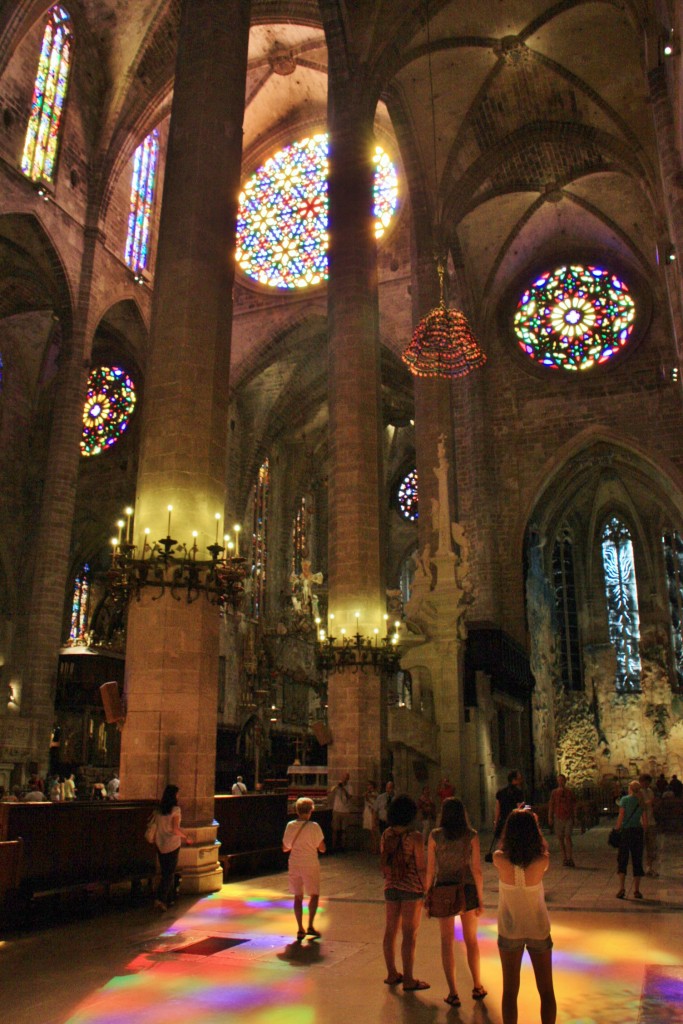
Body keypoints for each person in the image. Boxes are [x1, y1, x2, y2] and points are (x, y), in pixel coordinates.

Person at [493, 809, 556, 1024]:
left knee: (509, 991)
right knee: (546, 990)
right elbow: (535, 854)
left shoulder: (499, 859)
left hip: (509, 928)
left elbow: (505, 852)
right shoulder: (542, 860)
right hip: (538, 928)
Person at [425, 797, 486, 1007]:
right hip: (466, 888)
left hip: (443, 888)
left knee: (446, 942)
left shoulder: (435, 836)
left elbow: (430, 870)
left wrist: (427, 895)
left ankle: (453, 992)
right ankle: (477, 985)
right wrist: (480, 898)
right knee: (471, 940)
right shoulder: (471, 836)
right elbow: (476, 869)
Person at [380, 793, 429, 992]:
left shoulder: (387, 834)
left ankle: (392, 973)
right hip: (411, 889)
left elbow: (384, 859)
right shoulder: (415, 837)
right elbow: (420, 866)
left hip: (391, 887)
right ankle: (408, 979)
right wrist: (427, 889)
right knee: (409, 934)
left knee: (390, 931)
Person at [282, 796, 326, 940]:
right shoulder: (315, 826)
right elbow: (322, 848)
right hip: (310, 863)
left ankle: (300, 928)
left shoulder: (290, 825)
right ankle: (310, 926)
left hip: (295, 863)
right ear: (311, 811)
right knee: (314, 894)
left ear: (297, 810)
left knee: (298, 896)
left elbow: (285, 847)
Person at [153, 784, 193, 911]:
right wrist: (186, 837)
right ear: (173, 796)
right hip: (172, 844)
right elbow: (175, 830)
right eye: (177, 794)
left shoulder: (158, 810)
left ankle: (169, 899)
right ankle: (160, 899)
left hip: (160, 843)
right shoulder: (175, 810)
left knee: (165, 871)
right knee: (169, 874)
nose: (178, 796)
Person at [614, 779, 647, 899]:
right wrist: (644, 832)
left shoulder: (624, 800)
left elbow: (621, 815)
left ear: (630, 789)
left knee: (622, 859)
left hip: (626, 832)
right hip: (637, 832)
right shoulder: (641, 801)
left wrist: (617, 829)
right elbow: (644, 821)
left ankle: (622, 888)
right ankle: (637, 890)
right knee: (637, 860)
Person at [547, 774, 576, 867]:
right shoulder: (554, 793)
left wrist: (575, 815)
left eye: (562, 780)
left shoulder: (569, 792)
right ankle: (564, 858)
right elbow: (551, 805)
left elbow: (574, 804)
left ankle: (570, 857)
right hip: (558, 817)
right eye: (559, 780)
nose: (560, 782)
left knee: (567, 836)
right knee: (560, 838)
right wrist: (550, 816)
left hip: (568, 817)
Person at [494, 770, 525, 842]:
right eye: (519, 779)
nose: (521, 781)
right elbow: (520, 807)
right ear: (514, 780)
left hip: (503, 821)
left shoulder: (501, 792)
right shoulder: (518, 792)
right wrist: (529, 807)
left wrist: (496, 822)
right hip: (515, 821)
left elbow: (498, 808)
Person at [638, 773, 658, 877]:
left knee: (651, 846)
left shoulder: (650, 791)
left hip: (651, 821)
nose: (645, 784)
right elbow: (640, 806)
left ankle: (649, 867)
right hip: (641, 823)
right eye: (644, 782)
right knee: (641, 846)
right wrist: (649, 802)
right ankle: (640, 868)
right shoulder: (638, 792)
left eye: (647, 782)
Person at [329, 771, 352, 850]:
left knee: (344, 830)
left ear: (348, 779)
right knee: (335, 830)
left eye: (345, 777)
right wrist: (337, 786)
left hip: (345, 811)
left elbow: (349, 797)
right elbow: (330, 791)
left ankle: (343, 847)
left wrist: (343, 788)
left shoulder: (349, 787)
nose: (344, 779)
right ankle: (334, 846)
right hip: (337, 810)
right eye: (343, 777)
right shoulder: (337, 786)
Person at [363, 781, 379, 853]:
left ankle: (376, 847)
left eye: (369, 785)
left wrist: (369, 796)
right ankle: (373, 847)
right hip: (368, 812)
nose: (368, 787)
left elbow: (375, 800)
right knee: (370, 831)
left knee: (374, 830)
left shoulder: (375, 794)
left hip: (372, 812)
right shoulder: (367, 793)